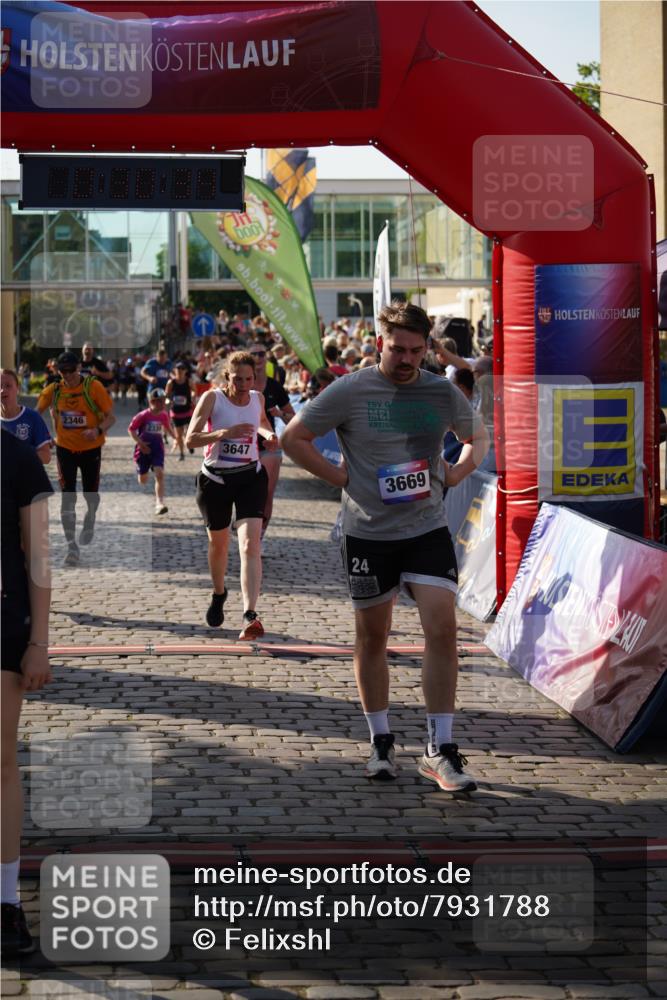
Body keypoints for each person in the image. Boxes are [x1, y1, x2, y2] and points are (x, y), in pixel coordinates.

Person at [282, 301, 489, 792]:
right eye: (398, 349)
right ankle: (380, 739)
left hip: (426, 527)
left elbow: (477, 435)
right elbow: (294, 438)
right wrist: (339, 476)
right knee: (373, 636)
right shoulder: (352, 389)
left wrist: (458, 470)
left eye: (417, 350)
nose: (407, 359)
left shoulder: (440, 391)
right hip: (369, 532)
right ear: (381, 343)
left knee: (443, 628)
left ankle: (440, 748)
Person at [1, 429, 52, 956]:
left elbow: (39, 556)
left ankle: (5, 901)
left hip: (3, 625)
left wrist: (38, 640)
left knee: (0, 763)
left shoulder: (15, 456)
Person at [186, 351, 279, 639]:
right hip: (215, 480)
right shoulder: (212, 399)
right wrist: (224, 433)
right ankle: (219, 592)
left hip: (250, 476)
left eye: (249, 379)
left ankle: (250, 614)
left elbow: (260, 420)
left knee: (250, 545)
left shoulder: (257, 398)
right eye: (237, 379)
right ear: (227, 376)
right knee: (219, 545)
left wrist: (266, 434)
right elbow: (191, 439)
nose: (243, 385)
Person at [36, 351, 115, 566]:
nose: (68, 375)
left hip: (91, 450)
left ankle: (90, 516)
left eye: (72, 370)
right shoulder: (54, 390)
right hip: (65, 450)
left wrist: (97, 430)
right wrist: (43, 437)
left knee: (91, 494)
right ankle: (72, 547)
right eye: (64, 371)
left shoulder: (93, 387)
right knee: (67, 497)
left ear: (79, 367)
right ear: (58, 371)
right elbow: (35, 415)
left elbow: (111, 417)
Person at [248, 342, 295, 537]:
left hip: (269, 446)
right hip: (244, 445)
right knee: (246, 493)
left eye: (261, 354)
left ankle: (259, 537)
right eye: (254, 355)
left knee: (266, 494)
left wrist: (279, 414)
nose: (258, 358)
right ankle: (245, 526)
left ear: (266, 358)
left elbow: (292, 417)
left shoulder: (274, 386)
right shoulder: (240, 384)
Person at [128, 388, 176, 515]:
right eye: (160, 402)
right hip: (143, 450)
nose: (163, 404)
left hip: (157, 449)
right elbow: (131, 429)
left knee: (159, 474)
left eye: (163, 401)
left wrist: (176, 439)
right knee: (143, 480)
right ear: (152, 402)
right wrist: (140, 443)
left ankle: (159, 503)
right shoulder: (143, 415)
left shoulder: (164, 415)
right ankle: (144, 470)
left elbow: (168, 428)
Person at [1, 369, 51, 464]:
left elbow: (46, 457)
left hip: (26, 478)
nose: (3, 390)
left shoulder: (32, 417)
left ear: (18, 388)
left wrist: (21, 455)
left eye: (8, 386)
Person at [165, 362, 195, 460]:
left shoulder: (189, 381)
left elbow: (194, 391)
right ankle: (182, 454)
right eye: (178, 369)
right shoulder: (171, 382)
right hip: (176, 412)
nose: (180, 371)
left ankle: (190, 444)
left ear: (185, 371)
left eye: (182, 369)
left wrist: (193, 397)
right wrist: (169, 400)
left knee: (188, 432)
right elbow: (167, 394)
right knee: (178, 435)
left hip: (187, 410)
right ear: (175, 370)